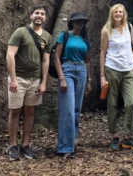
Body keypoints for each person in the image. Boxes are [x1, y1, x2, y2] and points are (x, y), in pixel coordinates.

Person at [5, 5, 53, 160]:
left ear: (45, 18)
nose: (39, 16)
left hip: (35, 80)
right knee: (15, 111)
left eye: (42, 14)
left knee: (30, 112)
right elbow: (10, 55)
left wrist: (44, 82)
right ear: (31, 15)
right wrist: (13, 79)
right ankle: (13, 145)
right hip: (18, 78)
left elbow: (46, 60)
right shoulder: (20, 32)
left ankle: (25, 145)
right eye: (37, 13)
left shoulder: (47, 36)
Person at [99, 4, 133, 151]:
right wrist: (102, 76)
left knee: (130, 103)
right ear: (112, 14)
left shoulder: (129, 27)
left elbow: (132, 44)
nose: (118, 14)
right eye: (116, 12)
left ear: (124, 14)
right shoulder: (106, 31)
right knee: (112, 103)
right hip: (112, 69)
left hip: (129, 69)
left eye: (121, 12)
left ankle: (127, 136)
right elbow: (103, 53)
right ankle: (114, 136)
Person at [54, 11, 93, 158]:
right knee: (68, 110)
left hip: (81, 71)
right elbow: (56, 58)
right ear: (72, 23)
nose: (79, 24)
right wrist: (62, 78)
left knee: (76, 109)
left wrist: (89, 80)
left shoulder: (86, 39)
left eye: (82, 22)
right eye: (77, 22)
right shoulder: (64, 36)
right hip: (67, 70)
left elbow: (88, 61)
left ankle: (72, 140)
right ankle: (65, 148)